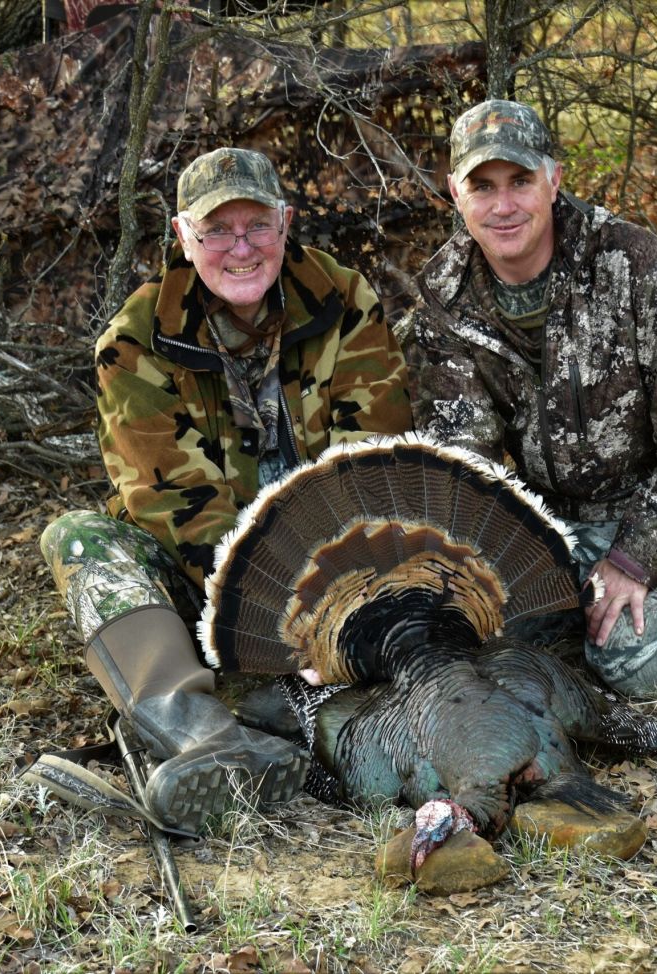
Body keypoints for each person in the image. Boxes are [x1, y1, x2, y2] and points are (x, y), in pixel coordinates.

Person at [40, 147, 413, 833]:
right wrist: (286, 628)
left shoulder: (344, 300)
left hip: (343, 583)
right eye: (217, 231)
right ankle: (205, 735)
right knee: (78, 538)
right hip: (210, 585)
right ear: (184, 237)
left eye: (258, 227)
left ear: (286, 223)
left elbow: (373, 463)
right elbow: (176, 509)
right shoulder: (136, 340)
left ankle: (323, 700)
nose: (240, 249)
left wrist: (336, 616)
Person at [404, 100, 657, 697]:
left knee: (629, 663)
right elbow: (467, 470)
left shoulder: (636, 265)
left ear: (553, 179)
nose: (503, 205)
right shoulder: (443, 304)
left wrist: (635, 559)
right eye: (483, 186)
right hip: (555, 522)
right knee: (497, 648)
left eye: (520, 181)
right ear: (454, 192)